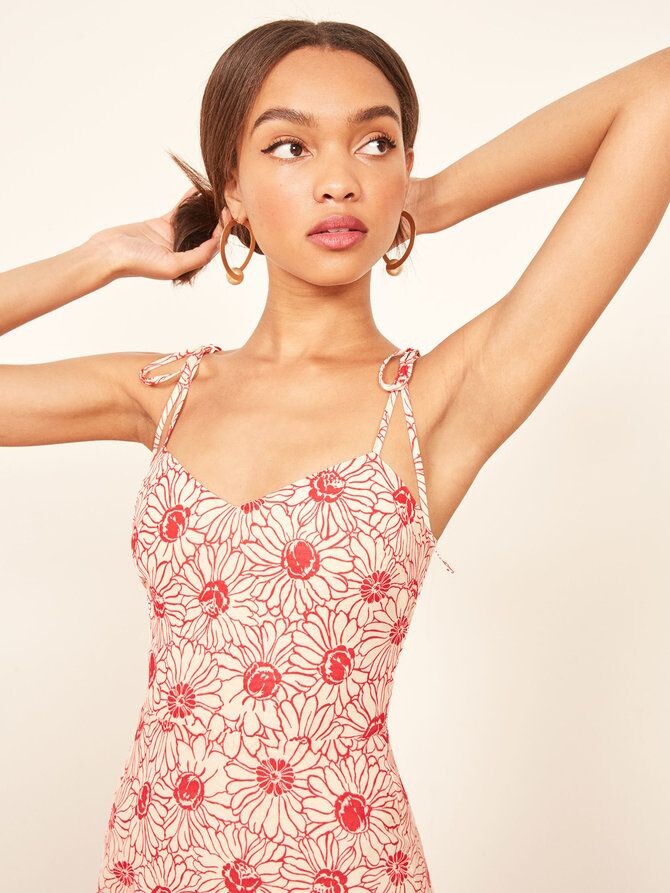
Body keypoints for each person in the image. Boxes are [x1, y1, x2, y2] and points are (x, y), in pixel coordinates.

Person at [2, 18, 668, 893]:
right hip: (150, 863)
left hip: (347, 869)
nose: (338, 179)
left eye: (374, 142)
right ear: (232, 188)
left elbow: (660, 94)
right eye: (290, 146)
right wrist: (98, 258)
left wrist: (437, 196)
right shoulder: (165, 393)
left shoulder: (434, 401)